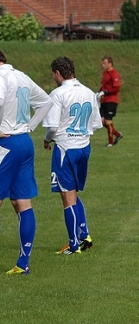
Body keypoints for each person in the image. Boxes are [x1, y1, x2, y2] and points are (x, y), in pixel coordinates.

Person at [0, 44, 53, 278]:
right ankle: (23, 262)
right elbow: (46, 103)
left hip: (5, 145)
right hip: (24, 142)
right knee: (22, 203)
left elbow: (0, 103)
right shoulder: (21, 76)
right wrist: (30, 127)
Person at [43, 57, 101, 255]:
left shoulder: (58, 94)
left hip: (65, 148)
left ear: (58, 73)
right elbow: (95, 124)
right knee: (73, 192)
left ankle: (73, 244)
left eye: (53, 75)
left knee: (66, 196)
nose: (53, 78)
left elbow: (52, 127)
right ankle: (85, 235)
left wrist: (47, 139)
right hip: (84, 147)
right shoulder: (89, 92)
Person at [98, 56, 122, 147]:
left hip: (111, 100)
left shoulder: (114, 74)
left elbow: (116, 88)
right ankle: (117, 134)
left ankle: (110, 142)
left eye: (104, 63)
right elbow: (103, 85)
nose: (103, 65)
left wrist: (106, 92)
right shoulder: (105, 73)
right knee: (101, 121)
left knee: (108, 121)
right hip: (104, 100)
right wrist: (99, 92)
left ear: (110, 64)